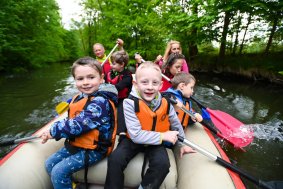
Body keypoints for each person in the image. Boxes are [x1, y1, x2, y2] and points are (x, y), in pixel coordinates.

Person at [104, 61, 195, 189]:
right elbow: (135, 135)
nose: (150, 87)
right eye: (144, 82)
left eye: (155, 83)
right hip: (133, 140)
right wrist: (163, 136)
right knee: (115, 159)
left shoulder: (166, 103)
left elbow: (175, 124)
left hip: (155, 143)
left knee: (162, 164)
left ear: (160, 85)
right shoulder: (129, 103)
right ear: (135, 84)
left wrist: (181, 144)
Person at [40, 57, 118, 189]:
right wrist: (53, 130)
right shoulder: (79, 97)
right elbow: (72, 118)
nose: (86, 82)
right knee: (49, 164)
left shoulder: (100, 103)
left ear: (101, 78)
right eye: (80, 79)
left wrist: (53, 131)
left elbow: (77, 125)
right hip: (78, 143)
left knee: (59, 172)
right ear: (75, 80)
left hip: (95, 149)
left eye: (91, 77)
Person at [105, 50, 133, 134]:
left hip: (125, 99)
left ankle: (121, 132)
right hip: (116, 98)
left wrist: (103, 89)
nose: (110, 65)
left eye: (113, 64)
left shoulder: (127, 76)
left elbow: (117, 88)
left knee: (121, 112)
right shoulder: (114, 73)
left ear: (122, 65)